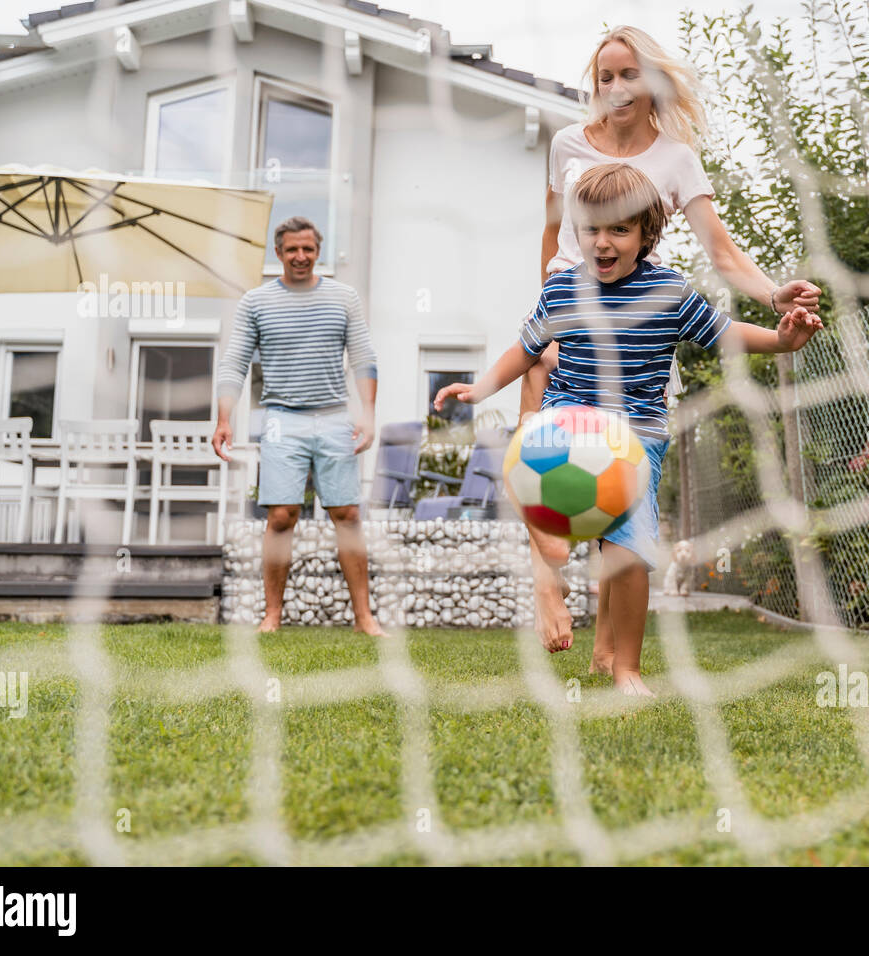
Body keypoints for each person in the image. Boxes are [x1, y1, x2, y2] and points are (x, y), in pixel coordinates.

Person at [437, 163, 822, 695]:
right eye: (591, 228)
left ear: (646, 234)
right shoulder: (562, 291)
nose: (602, 241)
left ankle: (626, 669)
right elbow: (523, 351)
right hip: (568, 425)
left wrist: (781, 341)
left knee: (629, 555)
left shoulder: (667, 291)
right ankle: (551, 538)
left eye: (618, 229)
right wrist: (479, 389)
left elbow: (726, 333)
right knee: (522, 462)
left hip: (635, 439)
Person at [526, 25, 822, 658]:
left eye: (628, 74)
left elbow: (720, 249)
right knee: (545, 461)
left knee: (621, 493)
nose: (615, 87)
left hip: (634, 334)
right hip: (571, 319)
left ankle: (612, 647)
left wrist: (773, 296)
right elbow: (552, 241)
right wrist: (548, 325)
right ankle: (546, 585)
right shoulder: (567, 144)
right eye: (604, 76)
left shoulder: (676, 160)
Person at [211, 216, 386, 636]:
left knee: (346, 514)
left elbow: (364, 356)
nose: (301, 257)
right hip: (280, 419)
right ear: (279, 253)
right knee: (282, 516)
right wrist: (223, 418)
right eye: (292, 250)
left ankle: (364, 617)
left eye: (308, 249)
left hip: (333, 416)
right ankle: (272, 616)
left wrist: (368, 412)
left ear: (318, 250)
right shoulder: (255, 302)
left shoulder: (344, 297)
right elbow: (234, 362)